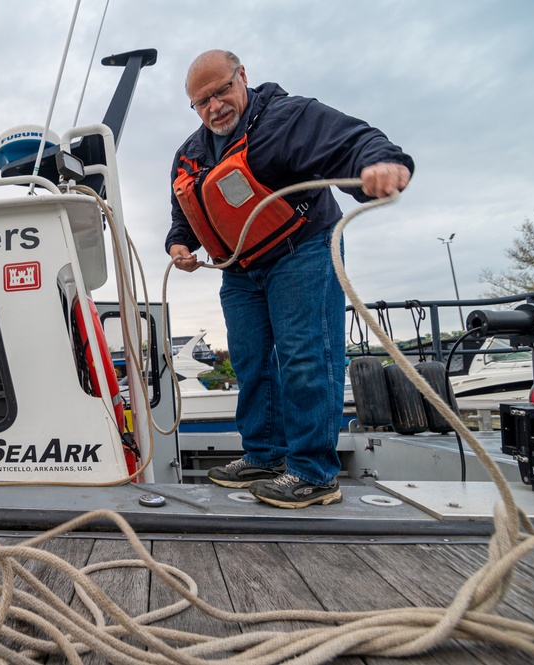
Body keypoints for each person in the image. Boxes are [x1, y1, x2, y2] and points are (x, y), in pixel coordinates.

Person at [166, 50, 413, 508]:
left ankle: (314, 474)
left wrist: (381, 164)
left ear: (243, 77)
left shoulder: (287, 117)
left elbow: (354, 140)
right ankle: (264, 456)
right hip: (239, 270)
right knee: (250, 362)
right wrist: (179, 245)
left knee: (305, 357)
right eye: (202, 101)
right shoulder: (190, 153)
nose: (214, 106)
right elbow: (183, 211)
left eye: (222, 90)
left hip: (302, 252)